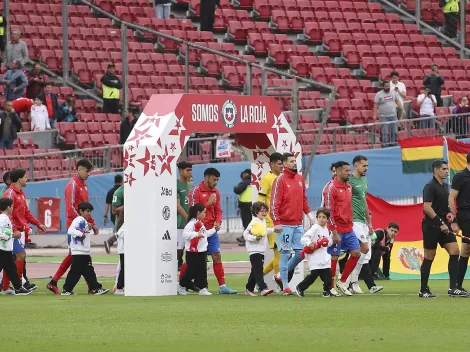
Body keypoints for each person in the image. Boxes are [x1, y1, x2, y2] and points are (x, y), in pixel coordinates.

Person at [46, 159, 99, 294]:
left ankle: (92, 286)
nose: (89, 174)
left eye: (90, 172)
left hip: (82, 224)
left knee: (80, 256)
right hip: (74, 224)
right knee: (76, 256)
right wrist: (83, 222)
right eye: (87, 171)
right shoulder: (73, 185)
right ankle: (91, 286)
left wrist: (92, 223)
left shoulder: (84, 185)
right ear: (79, 169)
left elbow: (86, 208)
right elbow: (70, 207)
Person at [419, 160, 466, 298]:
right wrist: (440, 222)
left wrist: (450, 216)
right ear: (436, 170)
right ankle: (423, 290)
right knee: (429, 257)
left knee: (454, 251)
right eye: (444, 169)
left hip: (444, 227)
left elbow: (444, 207)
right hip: (431, 227)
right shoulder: (430, 186)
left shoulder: (445, 186)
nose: (446, 171)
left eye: (447, 169)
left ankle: (453, 288)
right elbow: (427, 207)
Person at [187, 167, 237, 294]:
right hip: (198, 231)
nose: (216, 182)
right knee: (196, 260)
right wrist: (208, 203)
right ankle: (183, 283)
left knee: (217, 255)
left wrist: (218, 222)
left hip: (211, 230)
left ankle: (222, 286)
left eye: (218, 180)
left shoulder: (216, 192)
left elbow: (219, 209)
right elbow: (193, 211)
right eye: (214, 179)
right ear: (206, 178)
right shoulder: (195, 191)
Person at [271, 153, 314, 295]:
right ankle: (285, 286)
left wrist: (309, 215)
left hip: (297, 223)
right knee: (284, 253)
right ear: (284, 164)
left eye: (295, 160)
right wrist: (276, 222)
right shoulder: (280, 180)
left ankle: (279, 275)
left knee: (302, 252)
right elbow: (274, 203)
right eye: (291, 161)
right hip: (284, 224)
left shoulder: (300, 179)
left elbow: (303, 199)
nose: (294, 163)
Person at [2, 168, 47, 293]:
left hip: (19, 232)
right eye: (25, 177)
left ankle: (6, 287)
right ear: (19, 179)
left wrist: (38, 224)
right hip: (12, 232)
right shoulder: (10, 193)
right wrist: (14, 230)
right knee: (20, 256)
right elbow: (6, 215)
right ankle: (18, 286)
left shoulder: (21, 193)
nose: (27, 179)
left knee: (9, 260)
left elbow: (26, 212)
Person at [346, 155, 384, 294]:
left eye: (367, 165)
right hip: (353, 220)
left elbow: (365, 203)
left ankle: (351, 280)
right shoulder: (349, 180)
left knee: (362, 252)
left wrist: (369, 223)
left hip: (363, 221)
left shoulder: (364, 181)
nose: (366, 168)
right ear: (356, 166)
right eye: (364, 165)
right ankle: (348, 280)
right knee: (364, 248)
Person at [324, 161, 361, 296]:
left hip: (348, 227)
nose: (349, 173)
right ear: (338, 172)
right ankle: (331, 286)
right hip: (336, 228)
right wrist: (333, 232)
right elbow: (329, 211)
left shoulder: (349, 187)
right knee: (334, 257)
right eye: (346, 170)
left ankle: (342, 281)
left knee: (356, 253)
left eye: (349, 170)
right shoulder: (330, 188)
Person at [62, 202, 109, 296]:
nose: (89, 213)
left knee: (89, 271)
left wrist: (90, 226)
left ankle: (95, 288)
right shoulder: (78, 220)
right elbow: (70, 230)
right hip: (79, 252)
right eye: (87, 211)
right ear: (81, 211)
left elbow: (85, 228)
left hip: (84, 252)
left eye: (90, 211)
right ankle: (66, 289)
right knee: (75, 272)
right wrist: (81, 234)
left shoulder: (84, 221)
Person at [295, 208, 337, 297]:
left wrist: (327, 242)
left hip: (324, 256)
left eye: (324, 217)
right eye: (319, 217)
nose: (321, 219)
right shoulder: (314, 228)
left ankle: (327, 291)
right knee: (313, 275)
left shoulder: (327, 229)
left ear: (327, 219)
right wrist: (309, 243)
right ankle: (300, 287)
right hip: (314, 256)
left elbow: (329, 242)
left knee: (328, 275)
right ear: (317, 218)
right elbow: (304, 238)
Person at [178, 203, 215, 296]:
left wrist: (215, 229)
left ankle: (203, 289)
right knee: (191, 271)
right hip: (192, 252)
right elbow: (185, 235)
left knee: (202, 271)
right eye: (204, 212)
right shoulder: (191, 224)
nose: (205, 215)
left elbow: (205, 234)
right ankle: (181, 285)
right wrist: (196, 234)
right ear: (198, 212)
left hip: (202, 252)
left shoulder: (201, 224)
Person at [259, 152, 283, 281]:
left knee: (283, 253)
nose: (282, 166)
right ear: (271, 164)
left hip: (283, 221)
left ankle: (258, 277)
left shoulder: (283, 178)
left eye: (282, 164)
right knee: (279, 252)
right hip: (271, 221)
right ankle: (280, 283)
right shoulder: (267, 179)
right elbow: (260, 200)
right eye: (279, 164)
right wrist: (262, 219)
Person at [448, 152, 470, 295]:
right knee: (467, 248)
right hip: (465, 215)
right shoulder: (460, 177)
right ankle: (456, 286)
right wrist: (454, 221)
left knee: (466, 250)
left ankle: (456, 286)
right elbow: (451, 199)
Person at [0, 197, 31, 295]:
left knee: (11, 269)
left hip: (6, 249)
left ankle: (18, 288)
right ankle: (18, 288)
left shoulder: (5, 218)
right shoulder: (3, 219)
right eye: (12, 206)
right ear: (8, 207)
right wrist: (12, 235)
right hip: (3, 249)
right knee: (11, 269)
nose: (13, 208)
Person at [243, 202, 275, 297]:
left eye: (265, 211)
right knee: (258, 270)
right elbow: (245, 234)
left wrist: (273, 229)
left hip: (261, 250)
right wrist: (254, 238)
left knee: (255, 270)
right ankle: (263, 288)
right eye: (262, 211)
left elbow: (264, 231)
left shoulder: (262, 221)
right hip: (254, 250)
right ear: (256, 212)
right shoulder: (254, 222)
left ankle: (249, 289)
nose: (264, 213)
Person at [373, 81, 405, 148]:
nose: (387, 87)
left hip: (393, 115)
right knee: (385, 132)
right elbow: (375, 105)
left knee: (394, 131)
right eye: (386, 86)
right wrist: (374, 114)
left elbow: (397, 101)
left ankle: (394, 144)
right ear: (383, 86)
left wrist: (401, 108)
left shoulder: (393, 92)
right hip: (383, 116)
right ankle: (385, 145)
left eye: (388, 86)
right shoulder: (379, 94)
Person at [177, 161, 192, 271]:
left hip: (189, 222)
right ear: (180, 171)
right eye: (187, 170)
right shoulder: (176, 185)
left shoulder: (190, 186)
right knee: (178, 249)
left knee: (189, 249)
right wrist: (188, 218)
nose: (190, 172)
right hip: (179, 222)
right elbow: (176, 205)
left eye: (191, 170)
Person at [103, 174, 124, 252]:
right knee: (121, 231)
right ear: (121, 181)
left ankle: (112, 241)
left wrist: (105, 215)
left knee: (120, 231)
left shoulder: (110, 191)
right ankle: (112, 241)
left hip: (114, 216)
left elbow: (107, 204)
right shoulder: (121, 191)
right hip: (121, 216)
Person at [234, 168, 253, 246]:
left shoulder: (245, 182)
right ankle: (245, 238)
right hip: (252, 205)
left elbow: (237, 190)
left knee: (247, 224)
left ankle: (246, 239)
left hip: (245, 206)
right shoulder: (253, 182)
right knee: (250, 223)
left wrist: (236, 187)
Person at [115, 208, 125, 295]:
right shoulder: (125, 224)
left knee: (123, 268)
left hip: (124, 250)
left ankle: (121, 286)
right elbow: (121, 234)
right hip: (124, 250)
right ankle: (119, 287)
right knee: (124, 269)